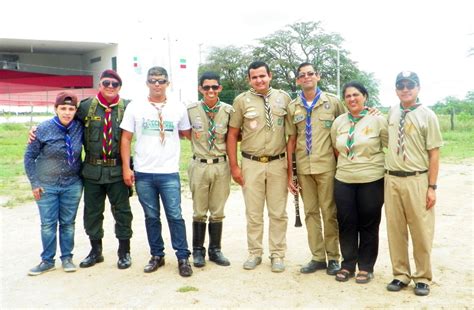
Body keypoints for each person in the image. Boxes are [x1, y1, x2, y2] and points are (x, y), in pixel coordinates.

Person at [29, 70, 133, 270]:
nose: (110, 87)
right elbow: (63, 119)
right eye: (106, 83)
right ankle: (96, 251)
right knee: (92, 213)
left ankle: (124, 252)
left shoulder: (128, 107)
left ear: (120, 87)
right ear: (100, 85)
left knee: (122, 212)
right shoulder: (86, 107)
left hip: (118, 170)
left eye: (115, 84)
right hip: (92, 171)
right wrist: (36, 129)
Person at [120, 66, 193, 277]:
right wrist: (127, 167)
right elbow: (126, 138)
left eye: (161, 80)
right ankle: (157, 255)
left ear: (168, 83)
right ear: (147, 83)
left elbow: (187, 133)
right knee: (151, 216)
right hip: (144, 172)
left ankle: (182, 257)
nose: (157, 84)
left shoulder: (178, 107)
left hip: (169, 172)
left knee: (175, 215)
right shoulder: (135, 107)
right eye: (153, 80)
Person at [227, 61, 290, 273]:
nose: (259, 80)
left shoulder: (283, 98)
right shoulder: (241, 101)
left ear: (270, 75)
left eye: (262, 76)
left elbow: (292, 134)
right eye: (254, 77)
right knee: (253, 213)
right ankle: (255, 252)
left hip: (277, 163)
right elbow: (233, 134)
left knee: (278, 212)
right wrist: (234, 167)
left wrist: (291, 169)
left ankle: (278, 254)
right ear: (249, 80)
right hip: (251, 163)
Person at [384, 71, 442, 296]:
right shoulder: (392, 112)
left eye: (410, 85)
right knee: (395, 230)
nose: (405, 89)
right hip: (392, 179)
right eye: (400, 85)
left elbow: (434, 154)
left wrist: (432, 187)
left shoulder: (427, 115)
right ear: (396, 88)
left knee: (421, 231)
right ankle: (400, 274)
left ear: (418, 88)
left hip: (417, 179)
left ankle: (423, 277)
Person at [286, 62, 345, 276]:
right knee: (311, 213)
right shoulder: (293, 107)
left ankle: (334, 258)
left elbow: (346, 127)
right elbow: (291, 140)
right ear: (298, 80)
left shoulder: (333, 102)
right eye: (302, 75)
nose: (307, 77)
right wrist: (289, 174)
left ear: (317, 76)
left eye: (310, 73)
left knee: (329, 212)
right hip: (303, 168)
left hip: (327, 166)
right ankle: (318, 256)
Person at [330, 81, 388, 283]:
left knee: (369, 223)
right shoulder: (339, 122)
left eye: (356, 95)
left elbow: (388, 145)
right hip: (344, 178)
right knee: (346, 223)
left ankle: (365, 267)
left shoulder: (378, 120)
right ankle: (347, 265)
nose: (352, 99)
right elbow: (336, 148)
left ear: (365, 96)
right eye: (348, 96)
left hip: (371, 179)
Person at [24, 91, 83, 276]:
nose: (67, 112)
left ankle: (67, 258)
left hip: (72, 184)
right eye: (63, 108)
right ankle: (47, 260)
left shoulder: (80, 127)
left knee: (68, 223)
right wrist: (35, 183)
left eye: (71, 109)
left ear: (75, 111)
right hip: (47, 185)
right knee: (48, 224)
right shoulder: (42, 129)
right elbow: (29, 157)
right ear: (55, 109)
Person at [186, 72, 233, 268]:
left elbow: (234, 137)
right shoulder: (191, 110)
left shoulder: (229, 111)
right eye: (206, 87)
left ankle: (215, 249)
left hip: (221, 165)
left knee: (217, 210)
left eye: (215, 87)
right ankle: (198, 250)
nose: (211, 91)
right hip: (199, 165)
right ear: (200, 89)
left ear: (220, 88)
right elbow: (185, 133)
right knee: (199, 210)